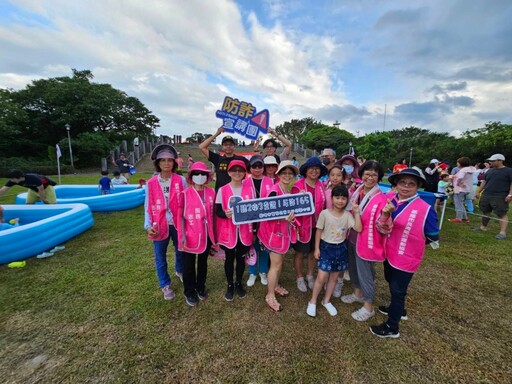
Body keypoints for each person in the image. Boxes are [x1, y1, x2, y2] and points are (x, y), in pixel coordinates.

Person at [370, 168, 439, 338]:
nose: (406, 187)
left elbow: (433, 235)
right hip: (389, 252)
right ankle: (397, 309)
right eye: (402, 182)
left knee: (398, 290)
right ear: (396, 184)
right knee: (391, 281)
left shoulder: (425, 208)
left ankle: (392, 327)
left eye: (411, 184)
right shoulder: (392, 200)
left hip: (406, 258)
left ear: (418, 187)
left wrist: (413, 245)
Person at [340, 161, 388, 322]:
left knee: (365, 273)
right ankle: (357, 293)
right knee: (353, 268)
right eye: (367, 173)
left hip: (367, 241)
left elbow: (384, 225)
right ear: (361, 175)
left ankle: (369, 307)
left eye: (374, 175)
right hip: (352, 237)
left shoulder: (381, 199)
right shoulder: (357, 191)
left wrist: (386, 216)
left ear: (379, 177)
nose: (370, 177)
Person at [307, 185, 362, 317]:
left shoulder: (348, 215)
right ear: (332, 198)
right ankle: (312, 301)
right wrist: (316, 248)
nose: (340, 201)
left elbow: (358, 229)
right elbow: (319, 231)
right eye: (337, 197)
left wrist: (356, 213)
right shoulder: (324, 213)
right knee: (321, 277)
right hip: (326, 248)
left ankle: (326, 301)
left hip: (341, 248)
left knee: (334, 277)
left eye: (343, 198)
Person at [144, 144, 187, 300]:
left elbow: (186, 201)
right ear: (158, 163)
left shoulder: (180, 180)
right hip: (158, 224)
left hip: (177, 222)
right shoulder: (151, 183)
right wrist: (147, 225)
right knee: (160, 256)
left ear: (174, 162)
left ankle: (180, 270)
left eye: (169, 160)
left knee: (181, 250)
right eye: (163, 160)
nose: (166, 163)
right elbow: (147, 205)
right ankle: (165, 284)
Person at [258, 160, 299, 311]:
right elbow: (266, 214)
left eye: (290, 173)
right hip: (274, 235)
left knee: (280, 263)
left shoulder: (287, 191)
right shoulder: (274, 191)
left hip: (283, 235)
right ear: (278, 174)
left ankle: (275, 286)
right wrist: (283, 217)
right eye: (284, 173)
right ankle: (270, 295)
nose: (287, 176)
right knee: (275, 266)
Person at [177, 162, 216, 307]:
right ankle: (189, 291)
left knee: (203, 263)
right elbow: (180, 216)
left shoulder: (211, 192)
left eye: (203, 174)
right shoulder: (185, 194)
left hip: (206, 234)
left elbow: (214, 216)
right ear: (191, 176)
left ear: (207, 176)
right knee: (188, 265)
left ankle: (201, 287)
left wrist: (215, 236)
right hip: (190, 235)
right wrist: (182, 236)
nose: (200, 177)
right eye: (196, 174)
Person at [216, 160, 254, 301]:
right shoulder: (223, 189)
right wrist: (224, 214)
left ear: (245, 173)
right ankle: (230, 285)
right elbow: (217, 211)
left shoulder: (249, 189)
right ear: (229, 172)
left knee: (241, 258)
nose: (237, 173)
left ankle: (238, 282)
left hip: (245, 231)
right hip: (228, 231)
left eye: (240, 170)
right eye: (234, 170)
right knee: (229, 258)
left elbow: (254, 210)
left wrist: (254, 231)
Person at [292, 157, 327, 292]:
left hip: (317, 226)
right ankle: (300, 277)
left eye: (317, 168)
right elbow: (292, 208)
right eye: (311, 168)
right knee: (300, 253)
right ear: (306, 171)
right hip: (302, 226)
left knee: (314, 252)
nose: (314, 171)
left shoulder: (321, 185)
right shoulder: (298, 186)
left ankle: (310, 275)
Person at [244, 155, 275, 287]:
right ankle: (252, 272)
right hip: (250, 220)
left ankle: (263, 271)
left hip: (265, 221)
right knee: (252, 247)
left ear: (263, 168)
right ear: (250, 168)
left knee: (264, 248)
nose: (257, 169)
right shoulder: (245, 182)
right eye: (254, 167)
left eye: (260, 166)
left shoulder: (270, 181)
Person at [474, 154, 512, 240]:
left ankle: (502, 233)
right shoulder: (489, 171)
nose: (491, 162)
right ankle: (483, 227)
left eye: (493, 161)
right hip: (486, 194)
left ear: (500, 161)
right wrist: (478, 191)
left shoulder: (509, 171)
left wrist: (510, 195)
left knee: (501, 214)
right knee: (486, 211)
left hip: (500, 196)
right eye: (490, 161)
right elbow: (484, 182)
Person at [199, 126, 249, 191]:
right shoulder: (217, 159)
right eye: (225, 144)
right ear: (222, 147)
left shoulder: (241, 159)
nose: (228, 146)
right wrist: (217, 134)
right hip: (221, 195)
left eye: (230, 144)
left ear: (234, 146)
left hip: (238, 193)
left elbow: (254, 170)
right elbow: (201, 147)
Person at [323, 164, 347, 297]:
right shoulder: (325, 191)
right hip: (328, 229)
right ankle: (327, 279)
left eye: (338, 175)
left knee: (340, 258)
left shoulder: (347, 192)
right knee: (328, 255)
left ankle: (339, 282)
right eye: (332, 175)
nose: (335, 178)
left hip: (342, 229)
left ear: (343, 177)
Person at [450, 157, 476, 222]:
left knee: (458, 203)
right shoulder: (470, 169)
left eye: (458, 162)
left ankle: (458, 218)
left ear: (461, 163)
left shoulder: (463, 170)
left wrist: (458, 183)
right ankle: (464, 217)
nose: (457, 163)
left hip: (459, 189)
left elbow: (460, 177)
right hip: (466, 188)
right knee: (461, 203)